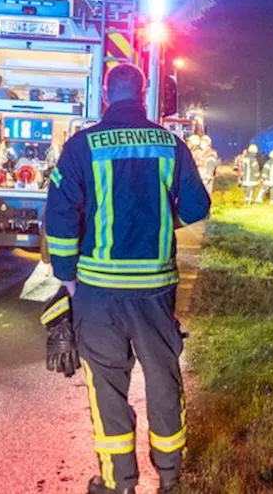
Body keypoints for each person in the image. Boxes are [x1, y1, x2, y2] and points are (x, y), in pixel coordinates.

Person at [44, 64, 211, 494]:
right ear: (144, 92)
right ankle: (171, 479)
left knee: (106, 387)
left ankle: (119, 482)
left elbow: (60, 217)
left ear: (105, 94)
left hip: (97, 293)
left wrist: (68, 278)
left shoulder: (82, 147)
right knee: (162, 378)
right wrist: (161, 219)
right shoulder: (170, 145)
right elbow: (197, 207)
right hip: (154, 291)